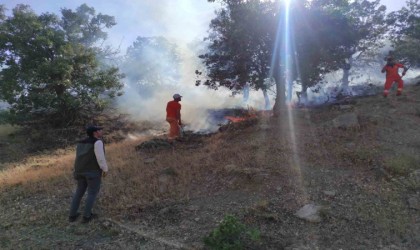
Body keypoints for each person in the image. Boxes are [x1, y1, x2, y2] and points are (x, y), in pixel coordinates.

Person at [69, 125, 109, 223]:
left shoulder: (80, 143)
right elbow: (100, 158)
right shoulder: (98, 142)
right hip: (92, 172)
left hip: (79, 171)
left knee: (78, 193)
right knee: (92, 193)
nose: (101, 131)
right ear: (95, 133)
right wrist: (105, 169)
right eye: (99, 130)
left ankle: (72, 216)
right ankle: (87, 216)